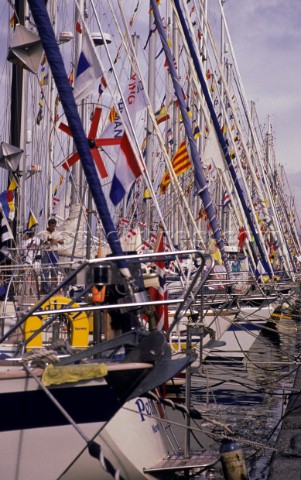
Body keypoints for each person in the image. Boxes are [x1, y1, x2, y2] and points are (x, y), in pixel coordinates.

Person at [39, 218, 64, 293]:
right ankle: (44, 288)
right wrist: (48, 240)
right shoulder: (43, 233)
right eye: (52, 226)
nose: (53, 228)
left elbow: (62, 242)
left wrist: (56, 240)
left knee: (54, 270)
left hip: (54, 252)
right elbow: (41, 242)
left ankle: (54, 288)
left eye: (54, 226)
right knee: (45, 270)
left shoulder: (57, 233)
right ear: (49, 225)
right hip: (46, 252)